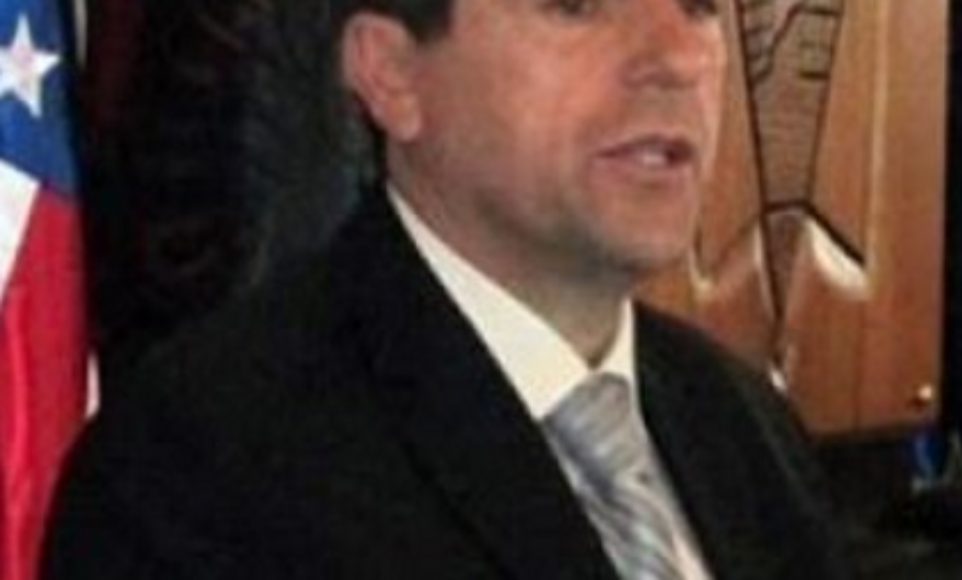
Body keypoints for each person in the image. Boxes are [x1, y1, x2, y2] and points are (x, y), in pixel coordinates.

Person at [44, 0, 853, 578]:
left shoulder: (742, 424)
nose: (676, 57)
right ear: (391, 74)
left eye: (700, 4)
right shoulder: (199, 470)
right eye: (576, 6)